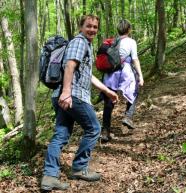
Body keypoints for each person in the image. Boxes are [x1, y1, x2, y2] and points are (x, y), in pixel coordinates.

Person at [41, 15, 119, 191]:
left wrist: (107, 91)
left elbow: (87, 75)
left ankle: (49, 177)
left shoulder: (85, 45)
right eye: (88, 26)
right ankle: (79, 168)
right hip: (72, 95)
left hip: (62, 94)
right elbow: (69, 66)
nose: (92, 29)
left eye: (95, 27)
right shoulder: (79, 41)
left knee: (61, 134)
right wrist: (67, 92)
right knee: (94, 128)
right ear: (81, 27)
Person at [101, 19, 144, 142]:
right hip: (125, 71)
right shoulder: (131, 41)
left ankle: (105, 131)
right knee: (134, 92)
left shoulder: (112, 41)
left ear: (118, 30)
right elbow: (135, 59)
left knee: (108, 101)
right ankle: (128, 116)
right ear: (129, 29)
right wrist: (140, 76)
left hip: (110, 73)